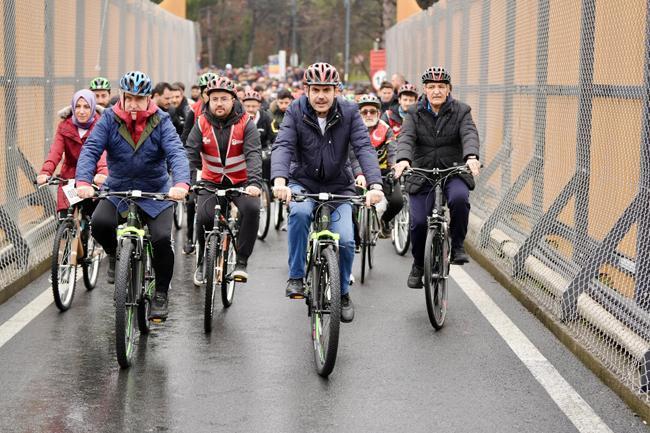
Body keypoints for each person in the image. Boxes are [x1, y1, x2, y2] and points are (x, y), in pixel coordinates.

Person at [271, 62, 384, 323]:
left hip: (339, 184)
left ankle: (343, 292)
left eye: (327, 89)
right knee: (299, 214)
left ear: (336, 91)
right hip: (303, 180)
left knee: (345, 239)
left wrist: (375, 184)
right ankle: (297, 276)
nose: (321, 95)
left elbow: (364, 148)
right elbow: (284, 144)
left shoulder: (349, 111)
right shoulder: (295, 111)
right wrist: (280, 180)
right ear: (306, 90)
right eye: (316, 89)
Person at [75, 70, 190, 320]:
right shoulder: (109, 118)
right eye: (130, 98)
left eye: (140, 98)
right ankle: (114, 254)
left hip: (155, 190)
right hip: (119, 188)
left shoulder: (161, 120)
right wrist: (83, 180)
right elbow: (92, 148)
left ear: (148, 98)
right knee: (99, 223)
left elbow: (176, 152)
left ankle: (160, 293)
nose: (134, 104)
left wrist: (180, 183)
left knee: (161, 239)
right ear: (122, 97)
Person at [393, 66, 481, 289]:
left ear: (449, 89)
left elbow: (469, 133)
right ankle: (418, 265)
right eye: (431, 87)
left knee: (460, 199)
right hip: (422, 173)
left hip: (453, 170)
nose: (436, 91)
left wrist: (471, 156)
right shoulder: (414, 112)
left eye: (441, 87)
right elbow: (406, 138)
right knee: (419, 222)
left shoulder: (461, 111)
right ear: (425, 89)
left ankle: (458, 245)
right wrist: (404, 159)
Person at [185, 76, 262, 285]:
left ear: (233, 100)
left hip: (242, 182)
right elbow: (190, 153)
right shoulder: (201, 123)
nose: (219, 103)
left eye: (224, 99)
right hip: (211, 181)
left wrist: (255, 183)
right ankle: (202, 261)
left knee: (253, 210)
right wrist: (189, 182)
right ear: (208, 101)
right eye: (215, 98)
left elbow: (254, 154)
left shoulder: (246, 123)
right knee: (203, 217)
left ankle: (242, 262)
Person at [37, 89, 108, 218]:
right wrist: (45, 172)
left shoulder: (101, 126)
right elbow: (55, 152)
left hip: (92, 175)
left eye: (86, 107)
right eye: (78, 106)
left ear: (92, 107)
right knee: (64, 217)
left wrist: (102, 173)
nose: (81, 111)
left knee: (93, 217)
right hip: (69, 175)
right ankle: (66, 231)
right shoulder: (64, 126)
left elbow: (102, 154)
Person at [353, 94, 403, 238]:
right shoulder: (353, 128)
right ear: (359, 114)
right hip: (359, 173)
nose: (368, 115)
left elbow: (393, 150)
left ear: (378, 113)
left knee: (397, 202)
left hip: (383, 172)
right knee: (351, 204)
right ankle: (356, 234)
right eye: (364, 112)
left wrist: (394, 166)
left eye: (372, 111)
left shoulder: (386, 129)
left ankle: (385, 221)